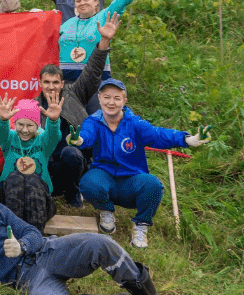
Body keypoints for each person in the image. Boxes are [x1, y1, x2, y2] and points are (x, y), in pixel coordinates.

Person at [0, 166, 159, 295]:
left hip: (48, 252)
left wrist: (22, 245)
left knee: (101, 243)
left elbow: (32, 233)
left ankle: (143, 290)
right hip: (26, 277)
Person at [71, 78, 211, 249]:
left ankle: (141, 225)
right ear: (99, 98)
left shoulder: (135, 123)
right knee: (88, 183)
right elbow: (87, 135)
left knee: (153, 186)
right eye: (107, 97)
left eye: (117, 98)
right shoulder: (93, 121)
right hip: (104, 177)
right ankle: (106, 211)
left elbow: (158, 135)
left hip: (131, 182)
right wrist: (79, 140)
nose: (111, 102)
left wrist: (187, 139)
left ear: (124, 101)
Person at [37, 13, 120, 207]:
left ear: (62, 83)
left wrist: (104, 41)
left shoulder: (74, 94)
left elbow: (92, 72)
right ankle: (47, 191)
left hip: (73, 161)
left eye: (55, 82)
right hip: (47, 164)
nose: (51, 86)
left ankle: (73, 192)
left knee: (71, 153)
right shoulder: (34, 105)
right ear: (40, 83)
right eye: (46, 82)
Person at [59, 0, 154, 85]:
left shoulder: (104, 17)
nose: (82, 3)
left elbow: (122, 0)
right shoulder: (66, 24)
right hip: (66, 81)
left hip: (96, 80)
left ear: (96, 1)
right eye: (78, 1)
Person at [0, 92, 64, 231]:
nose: (25, 130)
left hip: (39, 201)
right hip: (9, 198)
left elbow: (54, 136)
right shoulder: (11, 138)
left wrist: (54, 121)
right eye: (20, 124)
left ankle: (34, 238)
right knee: (16, 177)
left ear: (37, 125)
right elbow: (0, 134)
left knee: (31, 179)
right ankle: (13, 235)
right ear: (15, 123)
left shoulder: (43, 140)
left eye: (30, 125)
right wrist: (2, 119)